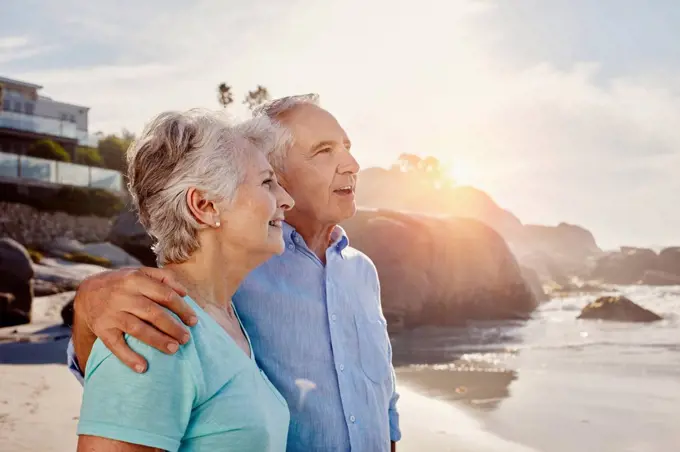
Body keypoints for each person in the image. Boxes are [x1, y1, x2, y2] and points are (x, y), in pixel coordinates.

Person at [69, 94, 401, 452]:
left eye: (347, 147)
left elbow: (384, 401)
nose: (352, 164)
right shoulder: (220, 281)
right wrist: (87, 306)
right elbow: (132, 366)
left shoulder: (362, 272)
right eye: (323, 151)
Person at [75, 109, 295, 451]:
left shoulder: (225, 319)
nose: (287, 200)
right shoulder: (154, 331)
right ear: (204, 205)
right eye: (267, 182)